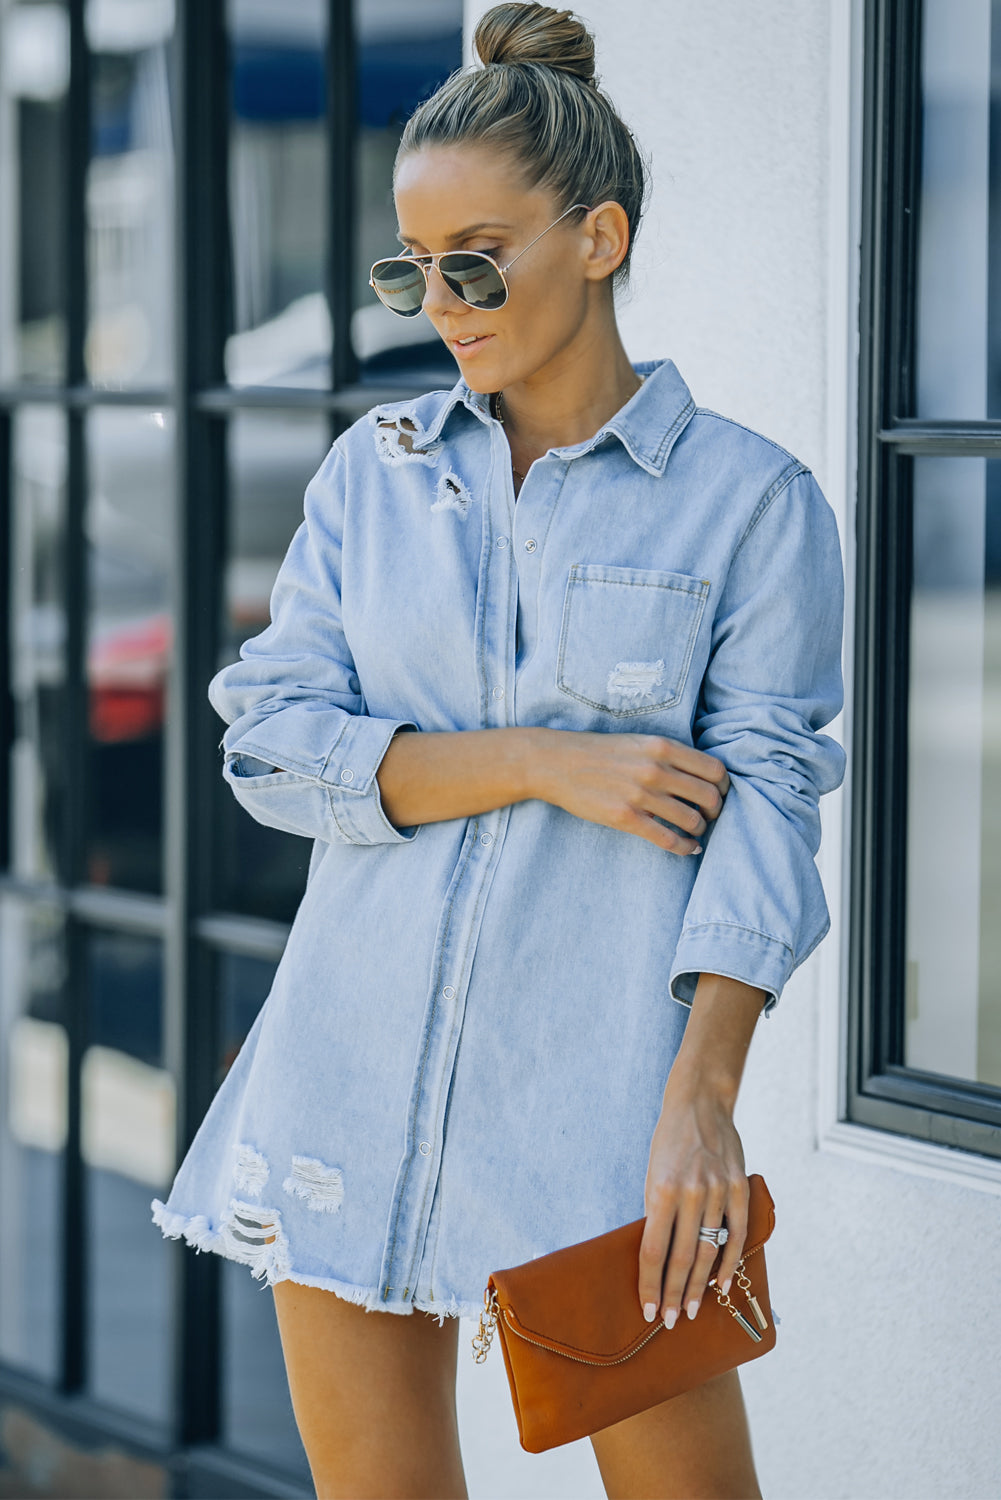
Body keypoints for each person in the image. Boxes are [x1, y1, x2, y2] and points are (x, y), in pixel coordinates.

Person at [150, 5, 846, 1496]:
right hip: (345, 1090)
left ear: (596, 237)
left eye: (476, 259)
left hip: (600, 1111)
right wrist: (535, 757)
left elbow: (769, 808)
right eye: (412, 268)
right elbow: (269, 744)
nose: (439, 303)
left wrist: (702, 1094)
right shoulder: (371, 480)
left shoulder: (750, 505)